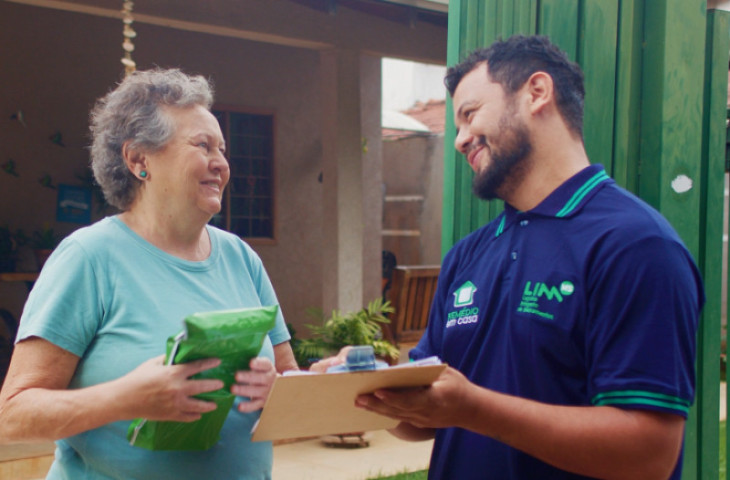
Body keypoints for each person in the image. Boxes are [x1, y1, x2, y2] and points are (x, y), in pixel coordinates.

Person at [343, 35, 704, 480]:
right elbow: (426, 418)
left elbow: (649, 455)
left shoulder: (636, 245)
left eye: (469, 114)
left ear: (537, 93)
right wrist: (361, 389)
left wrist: (474, 408)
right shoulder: (467, 256)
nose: (459, 140)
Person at [0, 68, 298, 479]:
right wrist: (124, 398)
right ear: (139, 160)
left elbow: (290, 380)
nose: (221, 164)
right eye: (203, 146)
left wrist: (277, 391)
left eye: (223, 149)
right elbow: (12, 415)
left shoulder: (241, 258)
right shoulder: (90, 258)